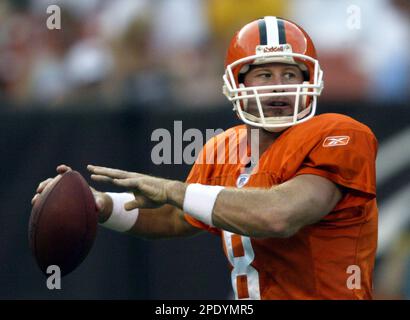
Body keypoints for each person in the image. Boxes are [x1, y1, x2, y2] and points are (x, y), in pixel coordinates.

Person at [32, 16, 378, 299]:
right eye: (264, 74)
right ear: (237, 85)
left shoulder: (340, 134)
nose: (278, 87)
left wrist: (173, 190)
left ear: (310, 81)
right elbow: (178, 217)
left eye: (290, 74)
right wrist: (102, 205)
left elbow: (279, 215)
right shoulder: (225, 147)